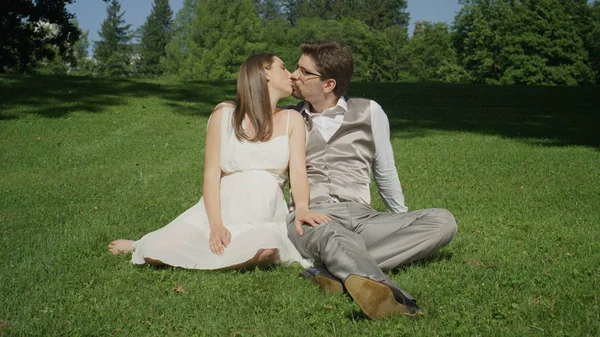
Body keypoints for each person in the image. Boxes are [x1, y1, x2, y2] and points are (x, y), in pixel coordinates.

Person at [108, 53, 330, 270]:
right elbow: (211, 175)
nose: (291, 75)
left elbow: (299, 171)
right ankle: (141, 243)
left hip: (264, 212)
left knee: (267, 247)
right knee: (153, 249)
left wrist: (301, 208)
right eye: (283, 67)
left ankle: (216, 252)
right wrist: (216, 224)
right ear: (265, 74)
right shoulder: (224, 114)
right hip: (223, 209)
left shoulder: (293, 120)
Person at [286, 41, 458, 319]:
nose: (294, 75)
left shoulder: (369, 111)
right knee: (331, 233)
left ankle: (328, 271)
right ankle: (394, 298)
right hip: (310, 217)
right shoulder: (288, 118)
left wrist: (400, 220)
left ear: (329, 84)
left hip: (362, 217)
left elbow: (385, 170)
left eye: (304, 72)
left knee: (443, 221)